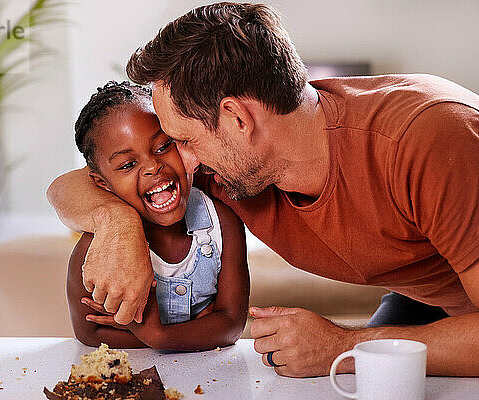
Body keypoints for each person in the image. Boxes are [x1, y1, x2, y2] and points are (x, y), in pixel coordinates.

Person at [48, 3, 479, 377]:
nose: (185, 163)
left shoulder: (428, 141)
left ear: (238, 118)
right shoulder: (234, 161)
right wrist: (116, 223)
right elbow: (67, 187)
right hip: (426, 302)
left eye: (186, 140)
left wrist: (342, 347)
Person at [66, 81, 249, 351]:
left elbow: (231, 324)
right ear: (102, 183)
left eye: (163, 146)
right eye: (128, 165)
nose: (153, 166)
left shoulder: (222, 225)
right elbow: (90, 332)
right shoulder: (98, 252)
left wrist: (153, 333)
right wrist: (196, 329)